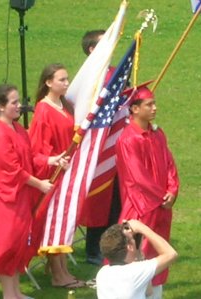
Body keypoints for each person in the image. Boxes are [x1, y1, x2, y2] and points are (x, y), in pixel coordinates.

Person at [0, 83, 68, 298]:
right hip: (5, 203)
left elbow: (29, 158)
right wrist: (40, 184)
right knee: (8, 249)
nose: (20, 106)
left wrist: (52, 160)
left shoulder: (17, 129)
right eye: (14, 102)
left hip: (19, 201)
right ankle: (10, 295)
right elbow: (13, 170)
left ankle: (16, 293)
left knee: (18, 247)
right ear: (1, 107)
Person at [115, 84, 180, 298]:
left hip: (161, 206)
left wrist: (173, 189)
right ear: (134, 109)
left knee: (158, 253)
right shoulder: (128, 139)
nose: (154, 108)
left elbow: (169, 163)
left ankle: (156, 294)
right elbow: (137, 176)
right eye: (149, 104)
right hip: (140, 206)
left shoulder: (157, 133)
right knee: (135, 254)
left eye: (154, 104)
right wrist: (162, 196)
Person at [28, 63, 85, 288]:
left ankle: (63, 270)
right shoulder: (43, 110)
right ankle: (58, 274)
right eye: (61, 80)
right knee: (54, 223)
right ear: (48, 82)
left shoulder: (64, 105)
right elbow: (37, 149)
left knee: (63, 221)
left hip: (66, 171)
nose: (66, 83)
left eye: (67, 79)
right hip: (53, 173)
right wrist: (53, 160)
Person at [79, 29, 121, 266]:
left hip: (116, 145)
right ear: (92, 49)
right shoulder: (87, 77)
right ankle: (94, 249)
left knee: (116, 199)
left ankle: (114, 247)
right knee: (98, 200)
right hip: (96, 146)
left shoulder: (116, 73)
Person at [96, 219, 177, 299]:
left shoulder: (102, 273)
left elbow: (148, 291)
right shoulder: (135, 272)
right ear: (130, 247)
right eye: (132, 239)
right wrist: (141, 228)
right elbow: (171, 254)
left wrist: (138, 256)